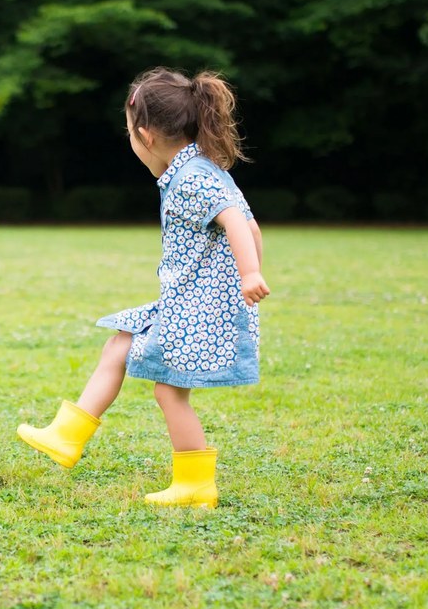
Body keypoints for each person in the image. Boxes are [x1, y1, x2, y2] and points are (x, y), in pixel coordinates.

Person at [17, 66, 270, 508]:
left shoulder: (193, 177)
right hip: (191, 301)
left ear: (146, 136)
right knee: (120, 344)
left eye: (129, 133)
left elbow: (235, 220)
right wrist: (245, 276)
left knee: (168, 390)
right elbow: (253, 226)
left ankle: (195, 484)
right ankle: (66, 436)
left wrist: (247, 276)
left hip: (201, 307)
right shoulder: (199, 170)